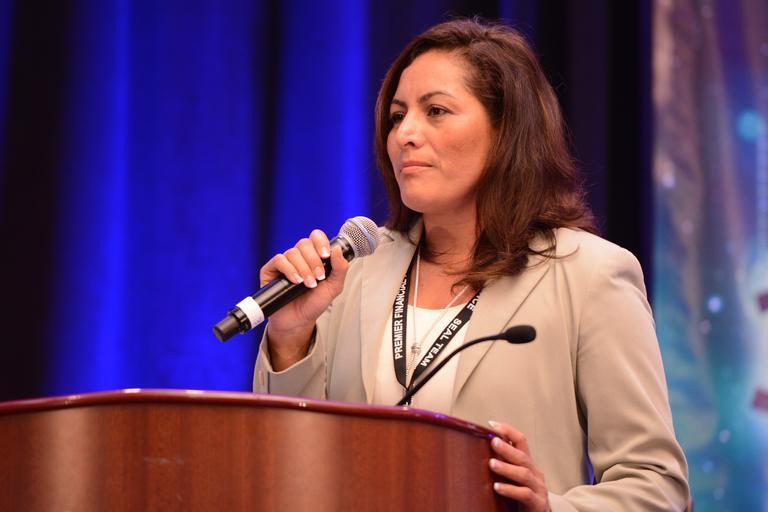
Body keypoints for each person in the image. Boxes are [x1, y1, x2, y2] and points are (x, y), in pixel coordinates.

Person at [253, 18, 689, 511]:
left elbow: (657, 487)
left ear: (506, 131)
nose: (404, 134)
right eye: (397, 116)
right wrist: (291, 337)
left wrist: (551, 507)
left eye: (436, 111)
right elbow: (289, 459)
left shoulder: (589, 274)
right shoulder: (355, 269)